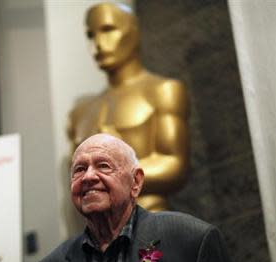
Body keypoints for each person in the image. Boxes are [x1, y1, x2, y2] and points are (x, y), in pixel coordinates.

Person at [36, 134, 242, 262]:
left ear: (136, 182)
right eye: (79, 169)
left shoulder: (192, 240)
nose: (88, 176)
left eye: (104, 166)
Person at [67, 2, 189, 211]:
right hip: (97, 233)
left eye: (108, 29)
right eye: (90, 35)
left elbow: (174, 165)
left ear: (133, 31)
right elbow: (77, 181)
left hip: (150, 221)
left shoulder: (163, 90)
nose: (97, 43)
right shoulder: (80, 113)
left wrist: (111, 177)